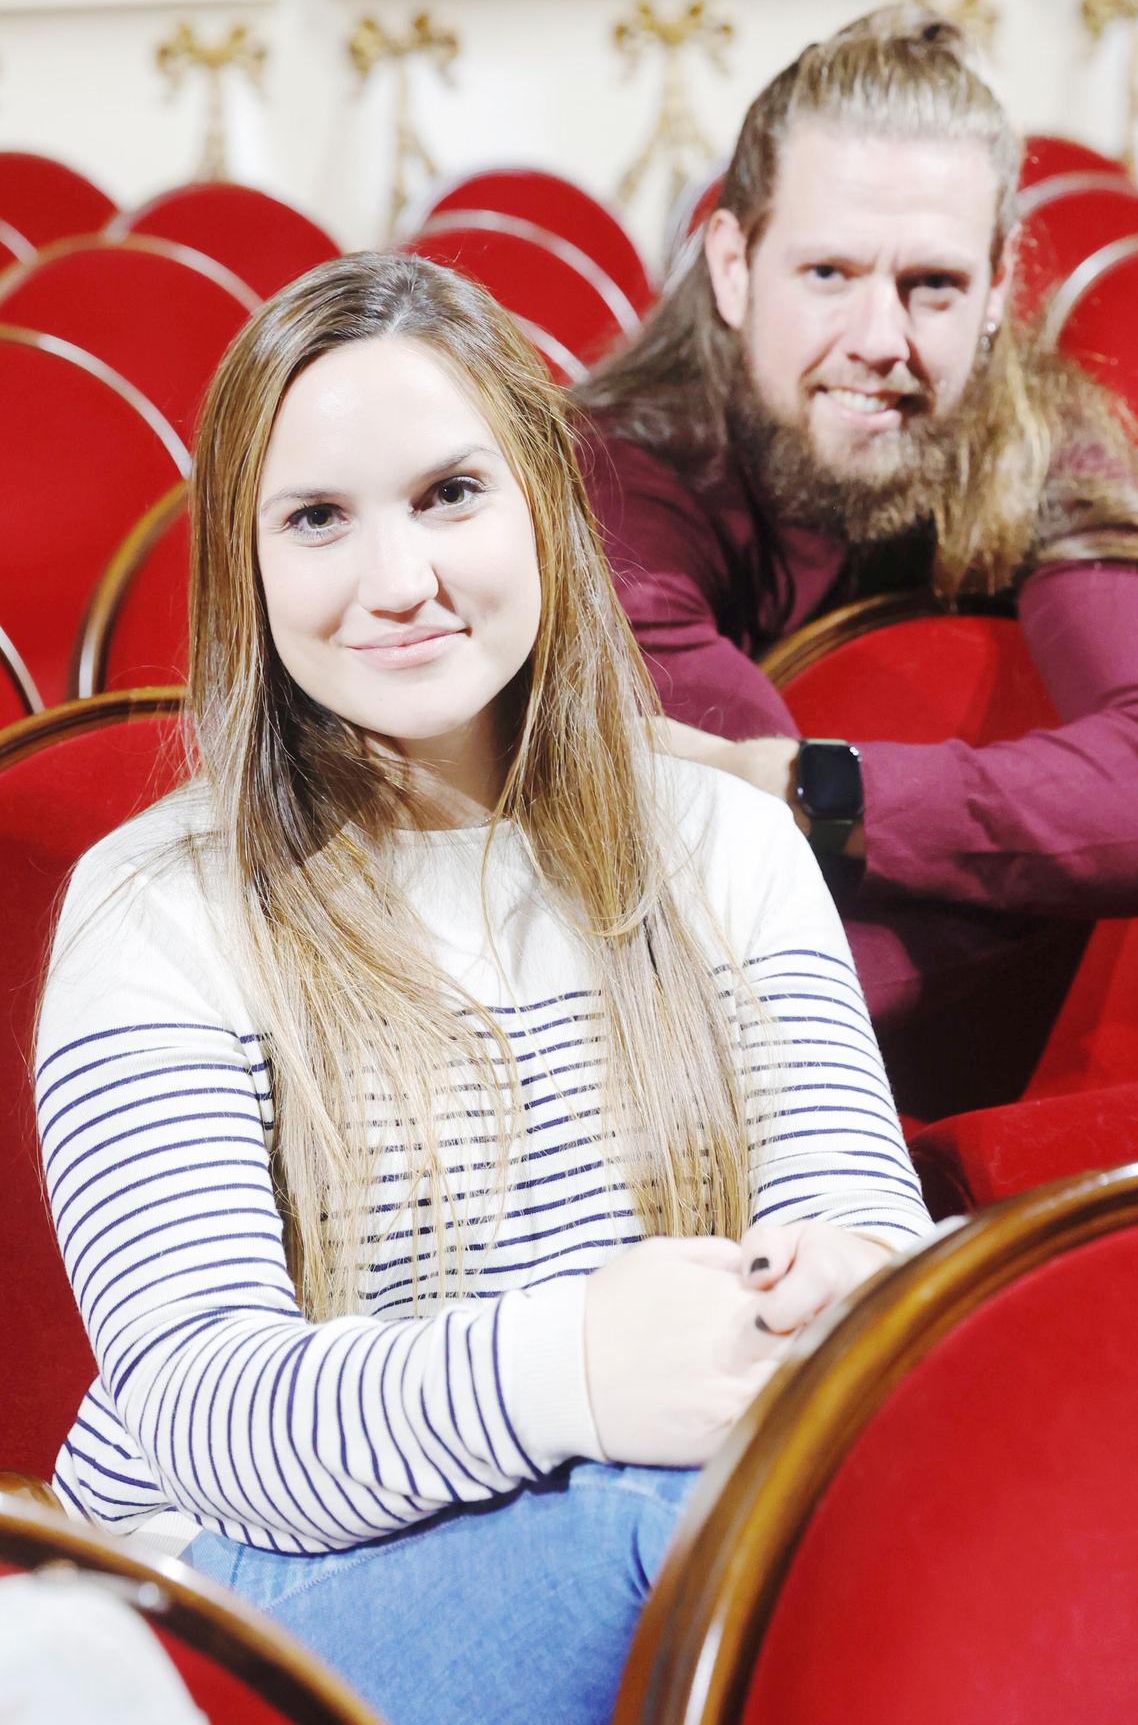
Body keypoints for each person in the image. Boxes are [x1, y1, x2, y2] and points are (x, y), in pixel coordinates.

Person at [35, 252, 930, 1725]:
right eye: (318, 520)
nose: (399, 584)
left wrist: (833, 1283)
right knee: (702, 1532)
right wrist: (571, 1370)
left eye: (449, 495)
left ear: (544, 506)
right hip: (217, 1598)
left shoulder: (716, 838)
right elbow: (206, 1418)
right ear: (245, 570)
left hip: (646, 1500)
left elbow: (848, 1204)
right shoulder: (157, 904)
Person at [579, 5, 1138, 1118]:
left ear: (999, 287)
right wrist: (1079, 844)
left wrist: (815, 787)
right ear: (733, 264)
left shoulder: (1043, 438)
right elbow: (749, 902)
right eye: (829, 272)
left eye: (932, 285)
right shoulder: (620, 475)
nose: (879, 338)